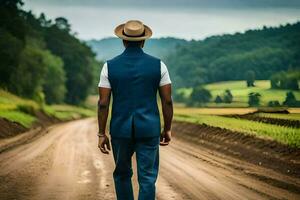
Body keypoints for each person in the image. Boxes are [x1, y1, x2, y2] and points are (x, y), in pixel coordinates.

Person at [97, 20, 173, 200]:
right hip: (149, 129)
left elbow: (103, 103)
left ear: (123, 41)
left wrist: (101, 133)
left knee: (122, 174)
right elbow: (167, 101)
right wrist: (167, 128)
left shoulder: (109, 66)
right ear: (143, 41)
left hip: (120, 130)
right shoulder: (159, 65)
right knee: (147, 178)